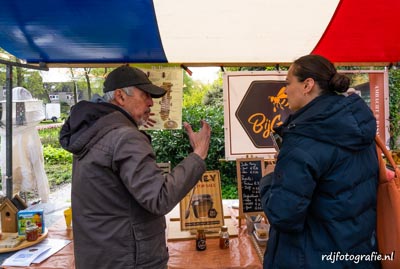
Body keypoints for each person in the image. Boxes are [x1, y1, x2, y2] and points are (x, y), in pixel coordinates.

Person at [59, 65, 211, 269]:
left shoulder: (94, 130)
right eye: (145, 95)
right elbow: (159, 198)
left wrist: (131, 124)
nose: (151, 102)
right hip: (128, 259)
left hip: (100, 255)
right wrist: (198, 154)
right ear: (120, 97)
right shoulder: (125, 137)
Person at [259, 55, 379, 268]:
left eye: (288, 83)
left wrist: (269, 178)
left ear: (307, 85)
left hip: (311, 258)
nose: (285, 90)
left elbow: (283, 215)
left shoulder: (303, 140)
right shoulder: (359, 128)